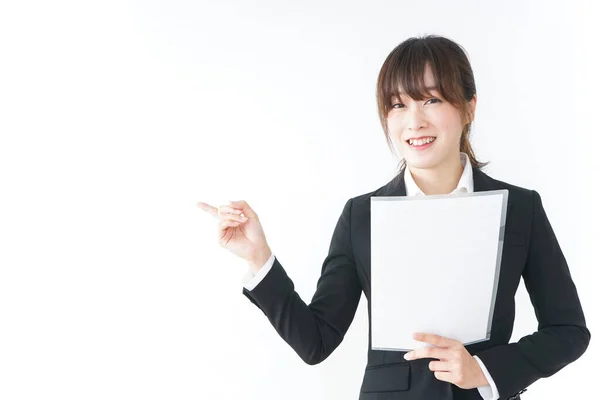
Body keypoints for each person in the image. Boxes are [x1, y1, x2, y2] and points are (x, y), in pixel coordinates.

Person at [197, 35, 590, 400]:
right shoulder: (361, 216)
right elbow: (316, 342)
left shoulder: (520, 208)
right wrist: (258, 258)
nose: (414, 121)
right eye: (398, 105)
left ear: (470, 106)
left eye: (432, 100)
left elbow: (568, 331)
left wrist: (483, 370)